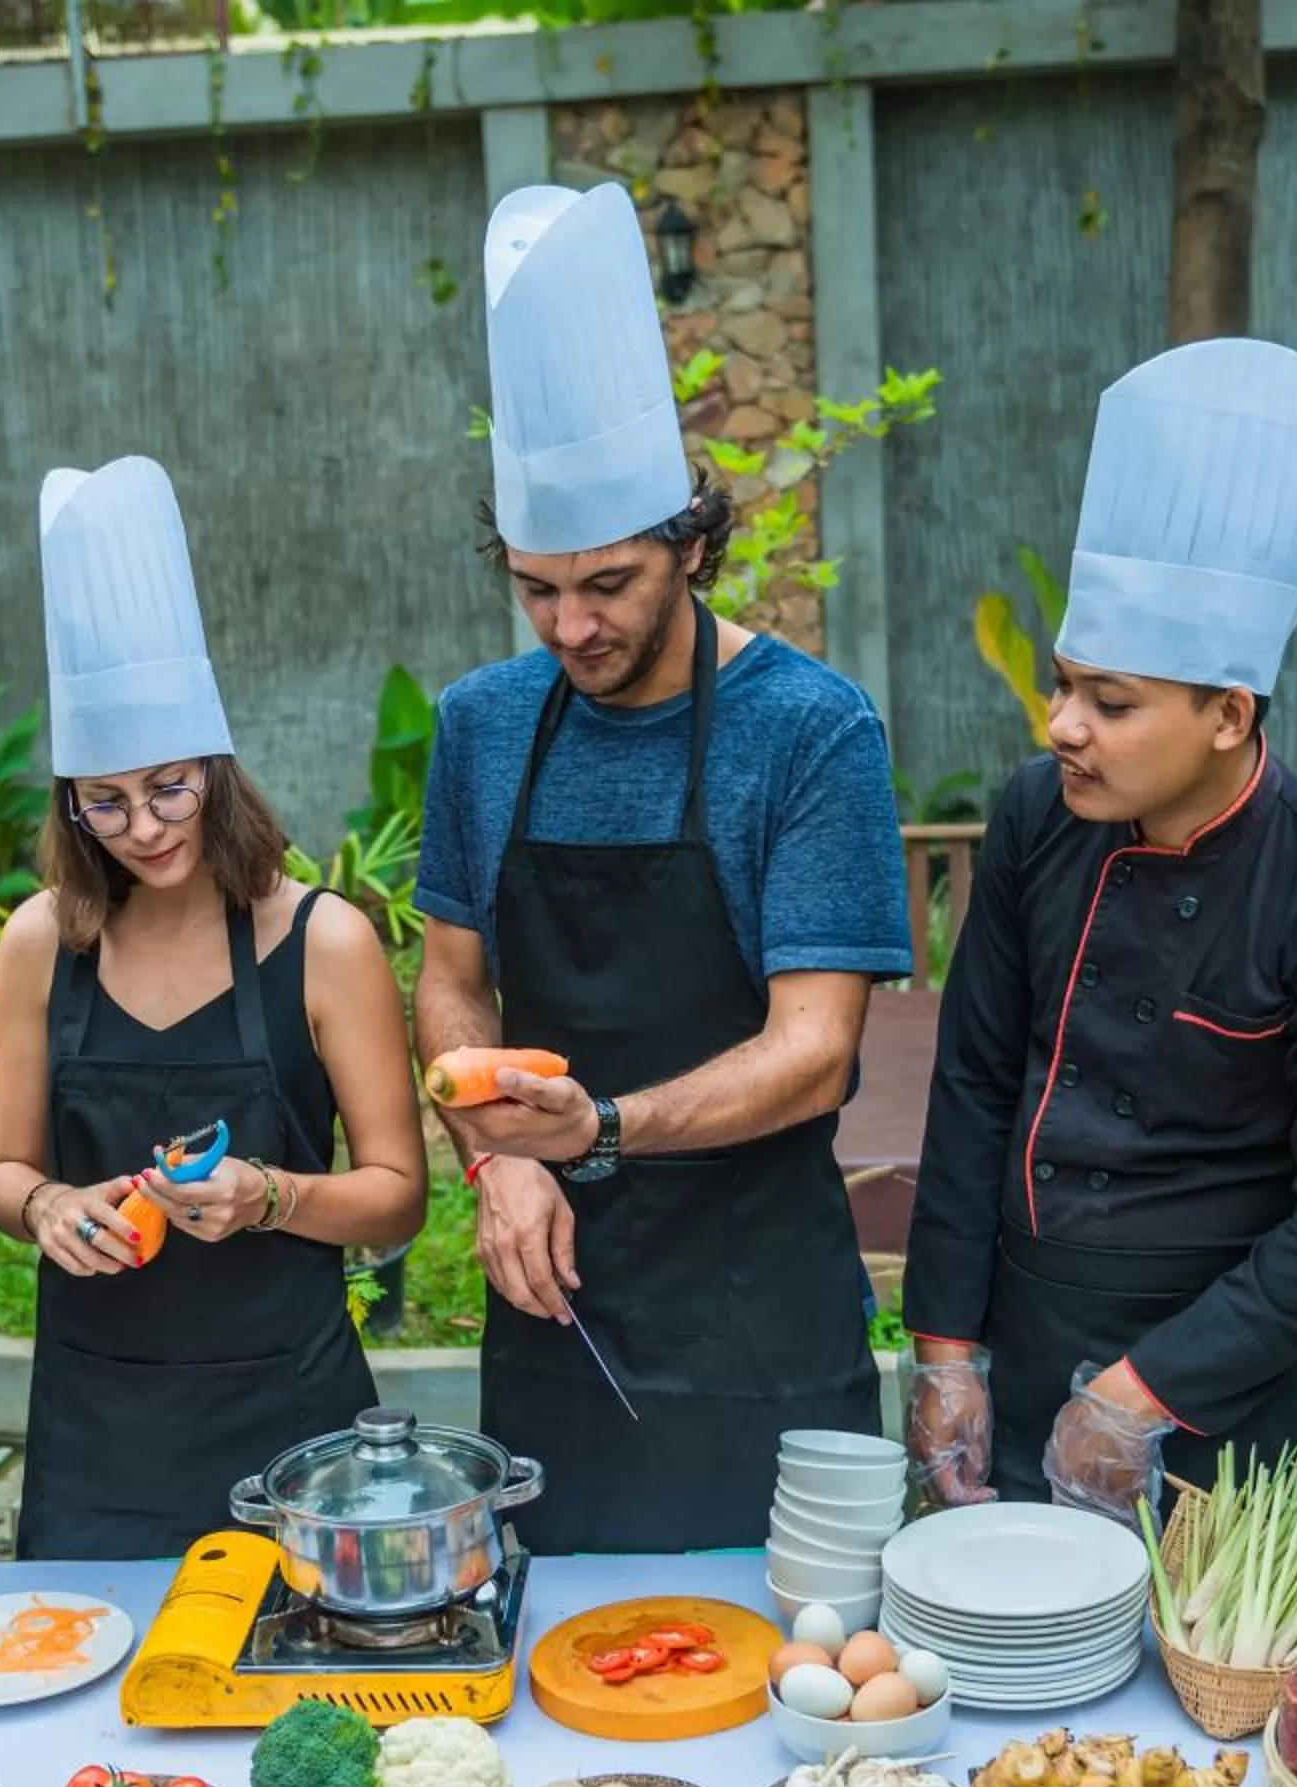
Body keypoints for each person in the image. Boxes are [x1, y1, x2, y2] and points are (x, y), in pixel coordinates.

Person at [410, 183, 913, 1555]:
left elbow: (815, 1053)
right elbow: (452, 985)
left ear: (693, 545)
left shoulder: (811, 728)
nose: (571, 624)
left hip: (763, 1310)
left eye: (612, 584)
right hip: (551, 1307)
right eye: (536, 586)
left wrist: (597, 1131)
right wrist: (497, 1158)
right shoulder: (483, 722)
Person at [901, 337, 1297, 1521]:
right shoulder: (1037, 815)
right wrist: (944, 1350)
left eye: (1110, 703)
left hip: (1230, 1379)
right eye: (1067, 684)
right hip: (1022, 1340)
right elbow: (975, 1079)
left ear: (1229, 713)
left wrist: (1143, 1392)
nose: (1063, 725)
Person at [0, 454, 426, 1560]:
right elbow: (2, 1171)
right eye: (106, 802)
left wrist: (266, 1196)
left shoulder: (323, 940)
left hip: (291, 1421)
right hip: (96, 1426)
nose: (142, 826)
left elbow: (399, 1197)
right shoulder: (41, 942)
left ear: (217, 769)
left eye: (169, 785)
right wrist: (44, 1211)